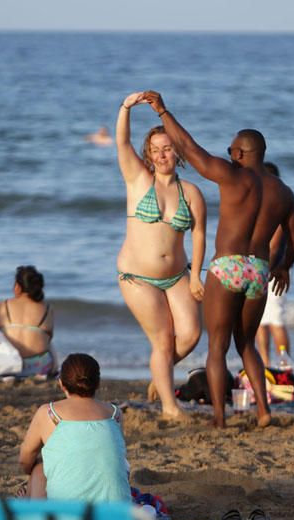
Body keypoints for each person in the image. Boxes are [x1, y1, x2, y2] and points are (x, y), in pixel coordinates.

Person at [142, 91, 294, 428]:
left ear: (242, 153)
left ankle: (219, 418)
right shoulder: (283, 191)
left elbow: (187, 147)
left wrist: (163, 111)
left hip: (227, 266)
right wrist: (284, 266)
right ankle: (263, 412)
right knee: (247, 345)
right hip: (258, 270)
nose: (229, 153)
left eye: (232, 149)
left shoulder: (231, 175)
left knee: (217, 346)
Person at [115, 92, 207, 420]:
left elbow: (198, 234)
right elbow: (122, 142)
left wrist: (197, 274)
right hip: (137, 277)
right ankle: (170, 407)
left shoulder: (192, 193)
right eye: (155, 150)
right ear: (148, 154)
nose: (162, 154)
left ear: (176, 151)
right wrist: (126, 107)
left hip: (177, 275)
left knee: (192, 334)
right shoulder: (138, 180)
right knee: (164, 339)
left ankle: (161, 373)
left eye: (168, 148)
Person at [18, 353, 131, 502]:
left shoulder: (48, 413)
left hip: (67, 519)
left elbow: (25, 458)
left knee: (39, 468)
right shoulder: (115, 413)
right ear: (97, 383)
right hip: (116, 518)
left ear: (61, 383)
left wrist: (30, 473)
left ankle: (31, 511)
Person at [255, 162, 293, 366]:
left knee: (276, 320)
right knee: (260, 321)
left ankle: (284, 364)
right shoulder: (266, 206)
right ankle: (265, 362)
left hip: (273, 271)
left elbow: (276, 246)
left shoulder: (277, 207)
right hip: (263, 269)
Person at [0, 265, 56, 378]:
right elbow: (50, 337)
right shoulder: (47, 308)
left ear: (17, 287)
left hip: (9, 366)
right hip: (40, 367)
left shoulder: (2, 306)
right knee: (47, 340)